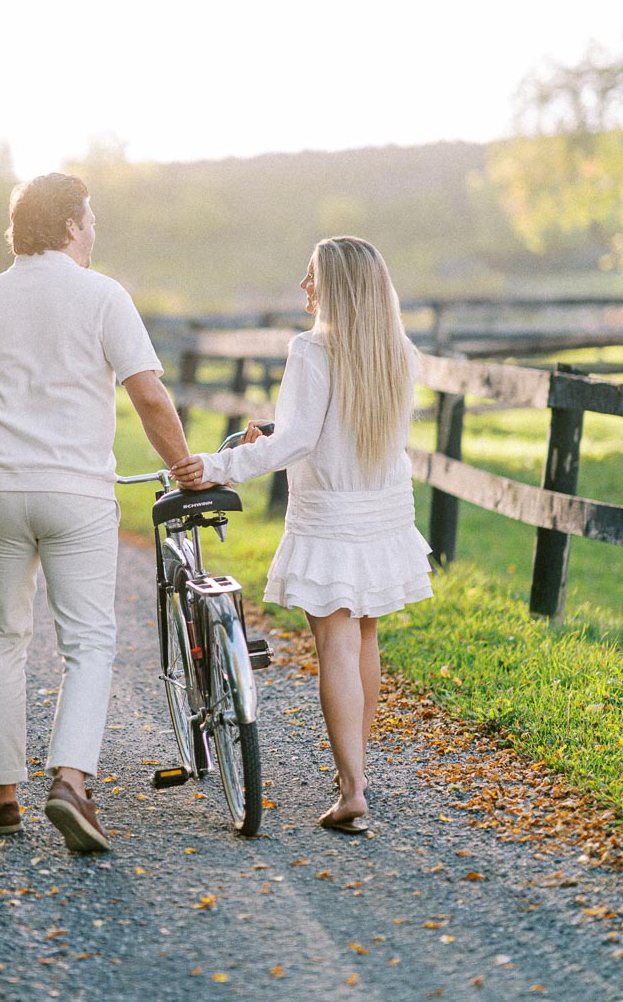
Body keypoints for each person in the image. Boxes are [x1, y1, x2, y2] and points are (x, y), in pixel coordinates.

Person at [0, 172, 190, 853]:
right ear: (67, 226)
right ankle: (70, 784)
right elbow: (149, 396)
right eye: (88, 220)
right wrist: (183, 465)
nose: (94, 232)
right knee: (87, 642)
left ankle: (3, 796)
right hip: (76, 490)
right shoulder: (102, 296)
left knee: (0, 638)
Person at [170, 236, 432, 833]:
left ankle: (353, 790)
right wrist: (280, 432)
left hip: (333, 517)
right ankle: (356, 777)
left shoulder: (312, 350)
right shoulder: (398, 350)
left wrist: (215, 466)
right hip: (383, 513)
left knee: (336, 647)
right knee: (365, 640)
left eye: (312, 275)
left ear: (337, 285)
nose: (303, 286)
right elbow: (343, 429)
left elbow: (297, 442)